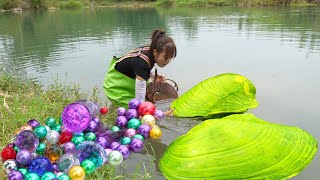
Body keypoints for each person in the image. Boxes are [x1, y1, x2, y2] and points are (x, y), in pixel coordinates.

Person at [103, 29, 176, 115]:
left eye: (170, 58)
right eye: (166, 58)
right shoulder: (142, 65)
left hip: (123, 80)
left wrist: (153, 76)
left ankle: (115, 111)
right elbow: (140, 106)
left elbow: (139, 68)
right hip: (115, 87)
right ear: (155, 52)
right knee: (136, 112)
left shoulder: (150, 51)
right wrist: (162, 114)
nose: (167, 62)